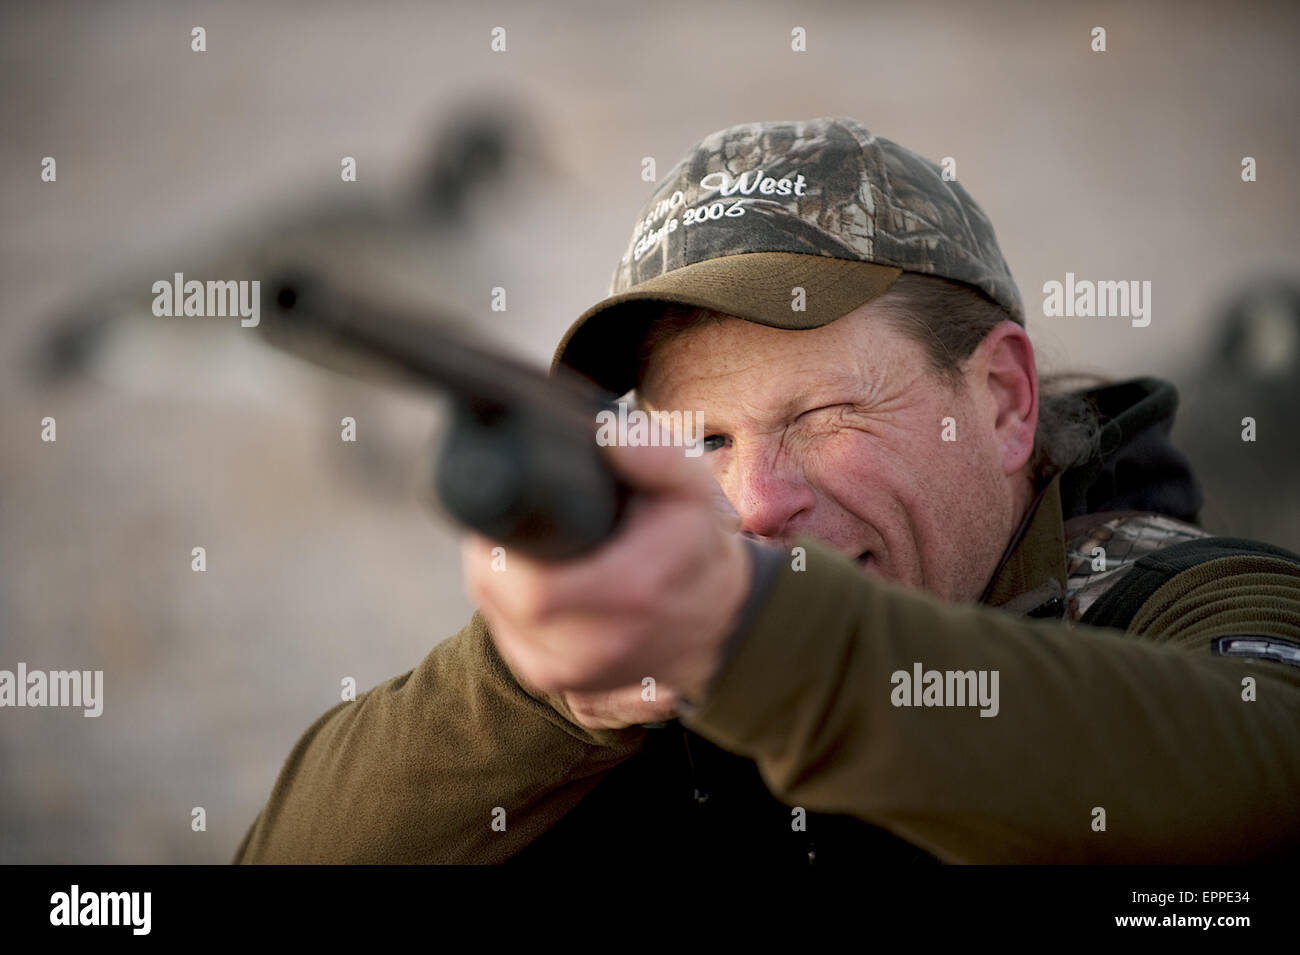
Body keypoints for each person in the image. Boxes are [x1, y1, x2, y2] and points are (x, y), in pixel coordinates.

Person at [234, 117, 1300, 865]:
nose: (754, 503)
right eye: (700, 438)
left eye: (826, 417)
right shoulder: (635, 681)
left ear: (1005, 400)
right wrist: (536, 693)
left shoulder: (1189, 605)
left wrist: (751, 637)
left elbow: (1256, 784)